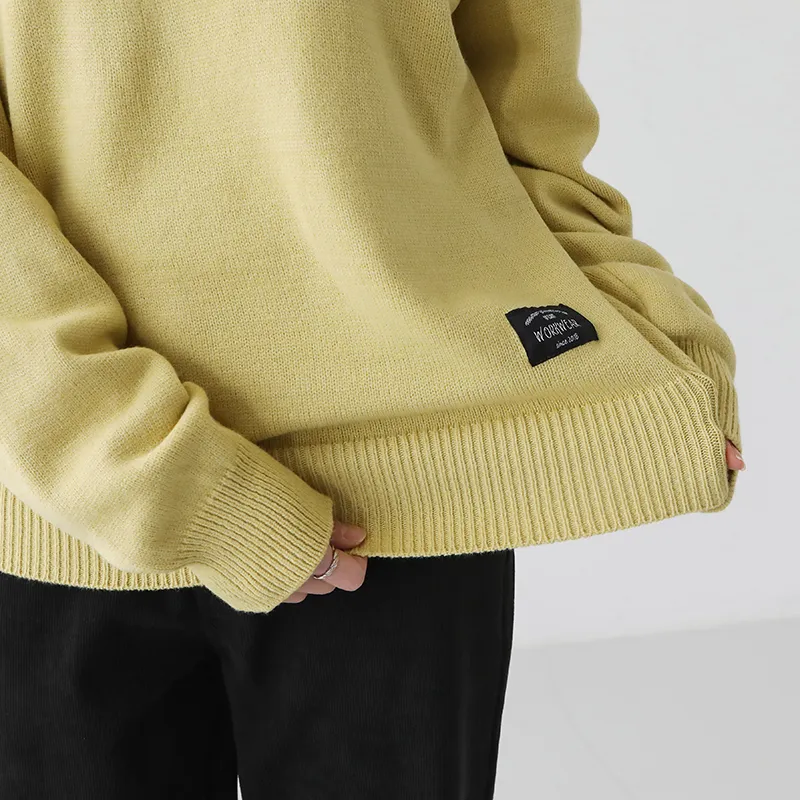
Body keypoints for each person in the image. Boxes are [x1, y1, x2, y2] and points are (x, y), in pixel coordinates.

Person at [0, 1, 744, 798]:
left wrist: (647, 327)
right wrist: (142, 468)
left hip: (401, 502)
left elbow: (527, 140)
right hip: (60, 503)